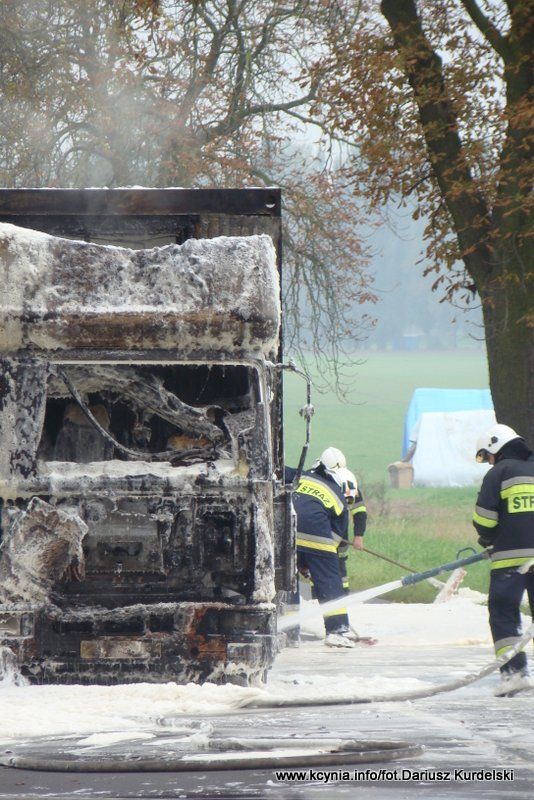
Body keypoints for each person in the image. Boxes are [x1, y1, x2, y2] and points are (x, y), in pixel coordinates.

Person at [473, 423, 534, 696]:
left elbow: (484, 518)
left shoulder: (498, 473)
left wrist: (487, 539)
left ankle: (514, 674)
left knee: (504, 614)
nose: (489, 461)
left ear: (496, 447)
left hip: (509, 559)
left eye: (487, 455)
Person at [286, 447, 354, 648]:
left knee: (288, 582)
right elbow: (336, 537)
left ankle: (289, 632)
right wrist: (319, 559)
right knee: (329, 581)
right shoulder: (338, 495)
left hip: (287, 534)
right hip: (317, 536)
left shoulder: (301, 478)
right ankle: (337, 631)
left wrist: (301, 561)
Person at [336, 467, 367, 595]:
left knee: (340, 562)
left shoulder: (348, 484)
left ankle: (344, 593)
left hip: (340, 533)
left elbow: (359, 513)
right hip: (322, 532)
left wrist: (358, 536)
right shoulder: (321, 483)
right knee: (319, 564)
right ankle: (317, 596)